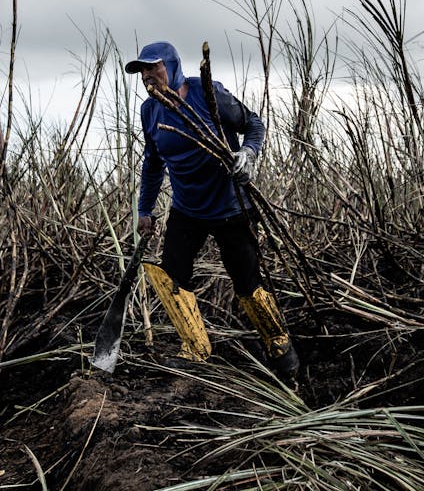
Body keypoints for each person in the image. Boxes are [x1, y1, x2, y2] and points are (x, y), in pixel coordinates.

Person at [125, 41, 299, 378]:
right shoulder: (150, 111)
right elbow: (152, 163)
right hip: (187, 207)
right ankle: (195, 350)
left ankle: (280, 348)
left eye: (154, 67)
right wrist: (144, 209)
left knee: (247, 281)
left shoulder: (208, 94)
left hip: (230, 205)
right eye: (142, 71)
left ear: (172, 67)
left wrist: (247, 153)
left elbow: (254, 124)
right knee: (172, 274)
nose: (148, 76)